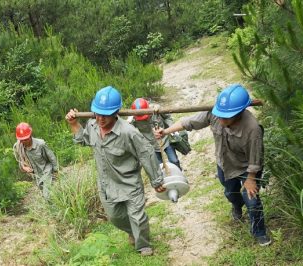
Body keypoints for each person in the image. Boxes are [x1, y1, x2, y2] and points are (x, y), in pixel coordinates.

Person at [154, 84, 271, 246]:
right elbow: (189, 123)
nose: (221, 119)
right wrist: (165, 131)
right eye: (220, 115)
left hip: (247, 168)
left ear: (239, 113)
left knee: (252, 199)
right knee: (230, 193)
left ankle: (260, 232)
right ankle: (237, 206)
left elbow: (255, 157)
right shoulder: (215, 113)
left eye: (226, 116)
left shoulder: (252, 129)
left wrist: (251, 178)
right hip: (224, 164)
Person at [65, 86, 166, 256]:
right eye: (97, 113)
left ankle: (143, 245)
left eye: (105, 114)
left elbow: (146, 154)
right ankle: (132, 231)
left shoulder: (128, 132)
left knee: (137, 217)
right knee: (115, 217)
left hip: (129, 182)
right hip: (107, 183)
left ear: (116, 112)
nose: (100, 118)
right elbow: (82, 140)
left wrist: (156, 181)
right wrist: (74, 124)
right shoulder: (92, 125)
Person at [129, 98, 182, 170]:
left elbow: (167, 118)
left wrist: (171, 128)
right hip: (152, 145)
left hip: (165, 139)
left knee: (174, 161)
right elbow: (129, 130)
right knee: (159, 167)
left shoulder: (156, 110)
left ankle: (179, 174)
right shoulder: (134, 119)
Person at [13, 122, 58, 200]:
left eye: (26, 139)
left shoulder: (40, 144)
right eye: (22, 140)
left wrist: (57, 170)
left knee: (47, 195)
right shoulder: (19, 148)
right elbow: (21, 162)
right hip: (37, 175)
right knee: (45, 194)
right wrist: (25, 168)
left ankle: (55, 208)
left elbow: (51, 157)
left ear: (30, 135)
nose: (24, 141)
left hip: (46, 170)